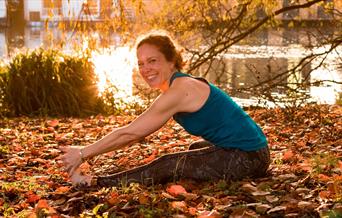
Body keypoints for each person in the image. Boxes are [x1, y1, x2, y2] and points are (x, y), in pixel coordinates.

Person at [60, 30, 270, 187]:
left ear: (172, 61)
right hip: (253, 152)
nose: (145, 69)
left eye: (152, 61)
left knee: (168, 163)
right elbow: (132, 132)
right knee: (194, 150)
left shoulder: (180, 90)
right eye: (141, 63)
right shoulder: (178, 86)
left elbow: (131, 134)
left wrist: (82, 153)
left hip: (249, 157)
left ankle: (93, 182)